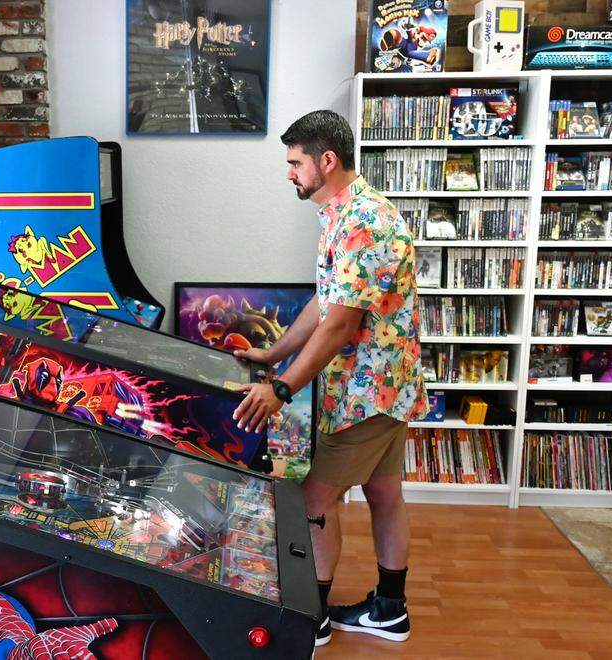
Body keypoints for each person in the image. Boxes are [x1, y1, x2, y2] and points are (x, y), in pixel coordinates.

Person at [232, 110, 427, 646]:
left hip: (369, 393)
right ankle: (390, 609)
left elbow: (341, 324)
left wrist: (280, 389)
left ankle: (309, 620)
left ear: (327, 161)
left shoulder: (363, 222)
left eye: (295, 163)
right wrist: (276, 351)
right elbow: (328, 300)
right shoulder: (342, 211)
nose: (289, 174)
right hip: (383, 386)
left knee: (313, 502)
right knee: (385, 493)